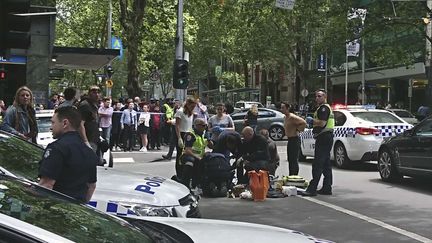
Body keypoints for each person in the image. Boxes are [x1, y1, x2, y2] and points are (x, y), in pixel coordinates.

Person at [38, 106, 98, 203]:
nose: (51, 127)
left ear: (65, 123)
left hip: (55, 207)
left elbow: (46, 185)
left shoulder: (56, 148)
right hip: (77, 211)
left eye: (53, 122)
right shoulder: (88, 152)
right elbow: (92, 186)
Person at [301, 89, 334, 196]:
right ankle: (327, 187)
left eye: (319, 96)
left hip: (324, 138)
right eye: (316, 96)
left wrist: (311, 121)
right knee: (326, 164)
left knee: (318, 164)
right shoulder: (322, 108)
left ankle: (312, 188)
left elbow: (322, 123)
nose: (317, 98)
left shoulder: (324, 109)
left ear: (325, 97)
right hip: (325, 137)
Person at [180, 118, 212, 189]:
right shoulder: (190, 134)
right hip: (188, 156)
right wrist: (198, 158)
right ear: (197, 126)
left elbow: (212, 146)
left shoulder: (203, 134)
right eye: (203, 125)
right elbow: (187, 150)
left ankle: (199, 183)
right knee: (190, 162)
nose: (205, 127)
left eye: (206, 125)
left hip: (199, 157)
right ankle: (185, 184)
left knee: (210, 158)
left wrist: (209, 139)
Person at [280, 101, 307, 176]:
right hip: (290, 139)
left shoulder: (292, 117)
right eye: (281, 108)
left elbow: (303, 122)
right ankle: (291, 175)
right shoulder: (285, 117)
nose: (281, 109)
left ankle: (294, 176)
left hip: (295, 139)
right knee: (290, 159)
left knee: (294, 160)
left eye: (283, 108)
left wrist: (298, 129)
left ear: (288, 108)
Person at [174, 98, 196, 177]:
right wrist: (179, 137)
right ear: (188, 104)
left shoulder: (191, 113)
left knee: (188, 154)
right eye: (192, 106)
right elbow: (177, 125)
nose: (193, 108)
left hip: (188, 133)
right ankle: (179, 173)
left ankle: (186, 172)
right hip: (182, 133)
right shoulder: (180, 112)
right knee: (180, 154)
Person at [78, 86, 101, 152]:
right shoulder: (85, 105)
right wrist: (86, 142)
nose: (96, 95)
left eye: (98, 92)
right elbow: (80, 124)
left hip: (94, 139)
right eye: (94, 92)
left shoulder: (94, 104)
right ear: (89, 93)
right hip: (88, 140)